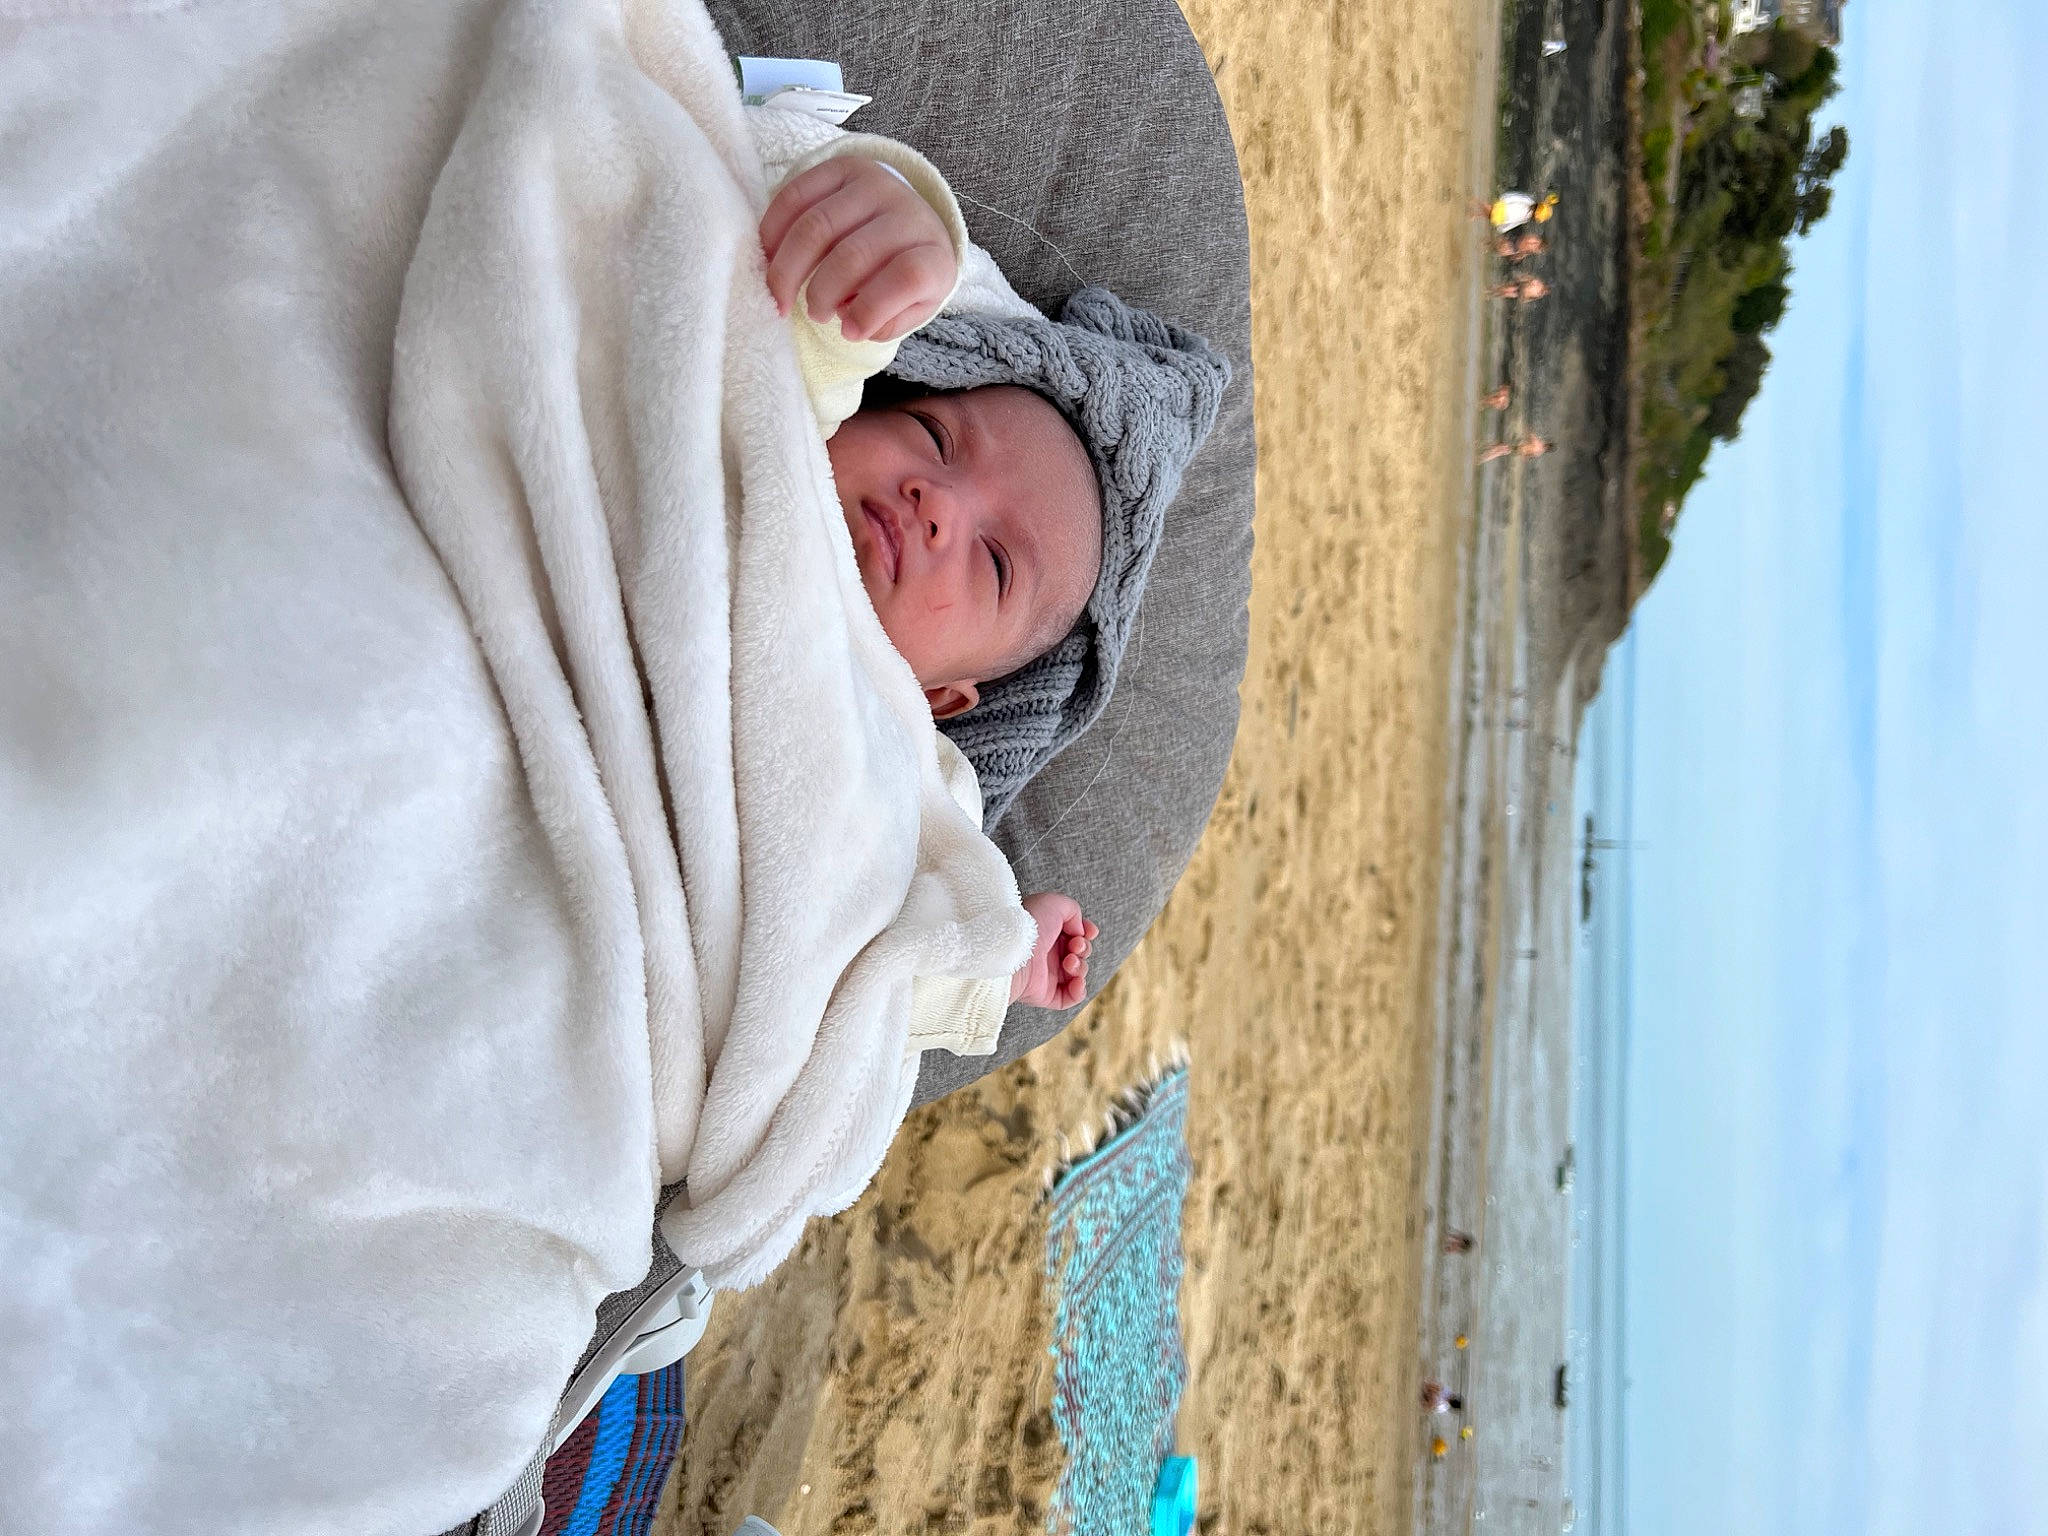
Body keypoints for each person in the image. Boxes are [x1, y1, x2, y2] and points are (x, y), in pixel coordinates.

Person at [752, 104, 1228, 1026]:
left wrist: (997, 964)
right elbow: (804, 315)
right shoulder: (789, 420)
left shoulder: (911, 770)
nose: (939, 504)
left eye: (995, 564)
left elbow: (884, 948)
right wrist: (891, 238)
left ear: (939, 700)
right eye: (932, 435)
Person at [1473, 189, 1557, 232]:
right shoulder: (1529, 201)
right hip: (1505, 208)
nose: (1534, 215)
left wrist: (1505, 228)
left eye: (1535, 216)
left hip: (1505, 219)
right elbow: (1517, 197)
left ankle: (1476, 215)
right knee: (1489, 209)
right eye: (1536, 212)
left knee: (1489, 216)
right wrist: (1505, 198)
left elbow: (1516, 222)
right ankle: (1474, 201)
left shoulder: (1527, 218)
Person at [1477, 435, 1552, 464]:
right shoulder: (1539, 453)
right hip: (1519, 450)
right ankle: (1482, 451)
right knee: (1500, 448)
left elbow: (1530, 436)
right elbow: (1528, 456)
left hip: (1519, 447)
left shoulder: (1539, 443)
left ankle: (1483, 457)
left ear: (1547, 444)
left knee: (1499, 450)